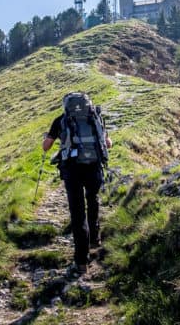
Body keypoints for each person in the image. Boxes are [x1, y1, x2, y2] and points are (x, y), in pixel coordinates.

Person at [42, 101, 112, 274]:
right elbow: (108, 143)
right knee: (93, 199)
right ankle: (95, 238)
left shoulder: (61, 120)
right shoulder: (95, 118)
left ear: (67, 106)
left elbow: (46, 146)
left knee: (77, 212)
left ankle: (81, 261)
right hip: (94, 167)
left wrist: (47, 137)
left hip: (72, 170)